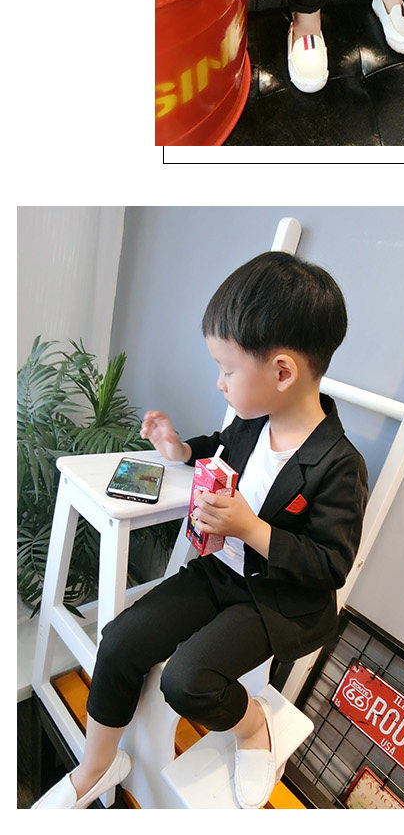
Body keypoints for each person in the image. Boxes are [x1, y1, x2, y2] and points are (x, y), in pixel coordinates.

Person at [33, 252, 368, 809]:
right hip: (221, 572)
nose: (219, 383)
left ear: (282, 372)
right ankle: (98, 765)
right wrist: (181, 449)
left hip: (279, 601)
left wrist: (252, 528)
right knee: (119, 640)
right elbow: (221, 449)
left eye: (227, 370)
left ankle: (254, 727)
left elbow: (330, 565)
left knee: (187, 680)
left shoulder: (339, 465)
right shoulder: (252, 422)